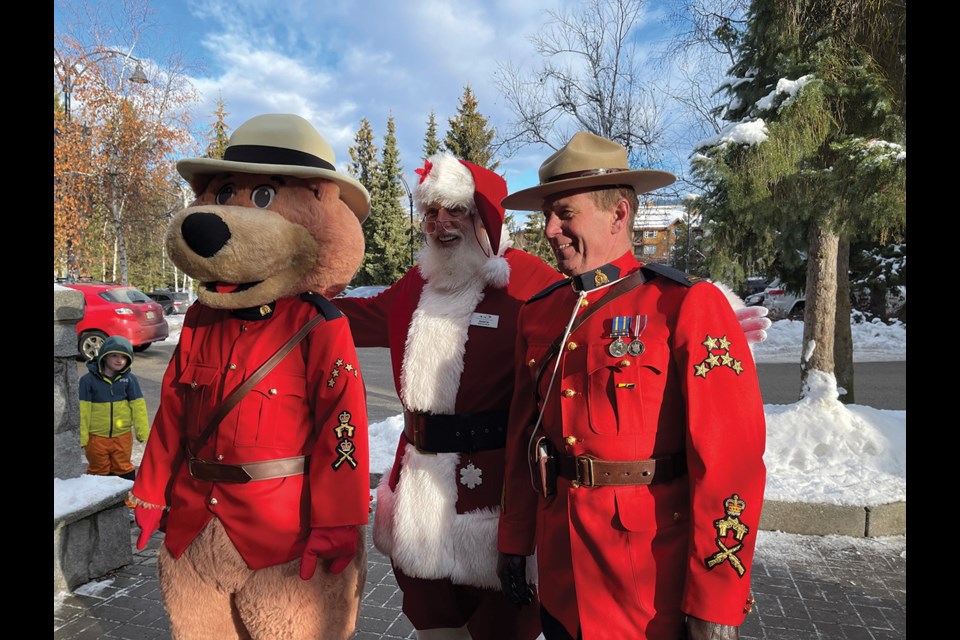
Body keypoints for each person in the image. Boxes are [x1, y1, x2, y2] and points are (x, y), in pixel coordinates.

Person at [496, 132, 767, 640]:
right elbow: (522, 438)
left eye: (565, 213)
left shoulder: (683, 306)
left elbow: (731, 462)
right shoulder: (541, 314)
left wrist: (717, 596)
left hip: (644, 587)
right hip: (561, 577)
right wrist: (514, 538)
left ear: (618, 214)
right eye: (547, 215)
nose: (550, 229)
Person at [333, 152, 561, 640]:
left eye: (454, 210)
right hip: (418, 488)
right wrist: (292, 301)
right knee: (433, 623)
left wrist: (676, 322)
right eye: (431, 213)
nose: (440, 224)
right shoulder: (419, 280)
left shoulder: (530, 280)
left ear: (483, 216)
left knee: (502, 624)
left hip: (495, 494)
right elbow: (358, 316)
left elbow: (597, 324)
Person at [79, 335, 149, 484]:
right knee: (98, 469)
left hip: (122, 436)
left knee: (123, 467)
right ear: (104, 356)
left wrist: (142, 431)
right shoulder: (87, 380)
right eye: (114, 356)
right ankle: (96, 500)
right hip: (96, 437)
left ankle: (126, 499)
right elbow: (83, 411)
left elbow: (138, 407)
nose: (119, 360)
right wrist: (83, 436)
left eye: (124, 357)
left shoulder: (130, 380)